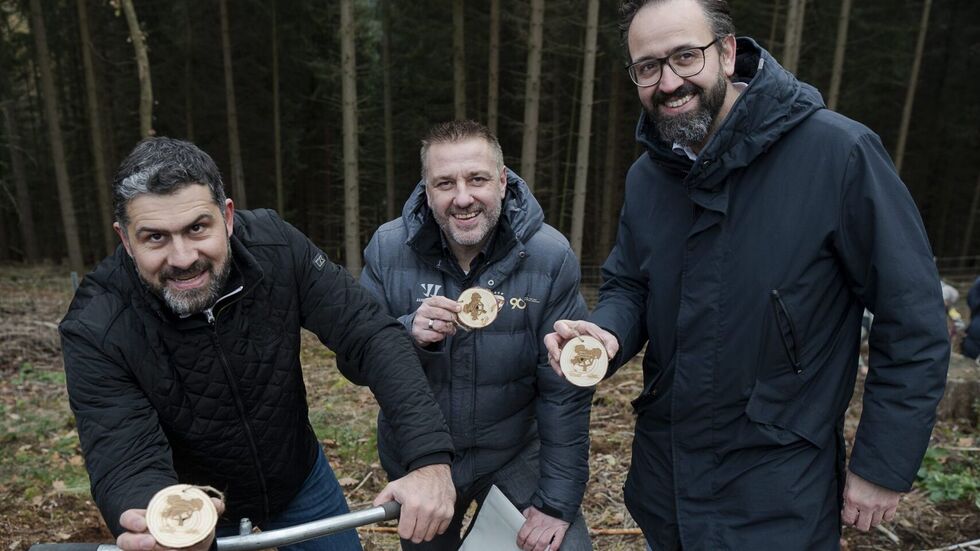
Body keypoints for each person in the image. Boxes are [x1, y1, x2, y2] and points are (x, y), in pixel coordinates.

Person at [543, 0, 950, 548]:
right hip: (667, 479)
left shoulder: (838, 154)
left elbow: (913, 319)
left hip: (779, 487)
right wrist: (606, 333)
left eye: (686, 56)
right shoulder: (649, 176)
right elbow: (629, 284)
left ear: (729, 52)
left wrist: (883, 463)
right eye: (648, 67)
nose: (669, 82)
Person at [59, 137, 456, 551]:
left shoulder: (276, 247)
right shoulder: (97, 323)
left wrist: (428, 459)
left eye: (197, 228)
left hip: (300, 479)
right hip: (190, 508)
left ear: (227, 217)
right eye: (155, 238)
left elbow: (369, 333)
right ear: (126, 240)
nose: (182, 258)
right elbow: (124, 450)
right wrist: (158, 519)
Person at [360, 120, 594, 551]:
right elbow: (355, 360)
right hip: (420, 455)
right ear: (427, 190)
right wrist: (405, 333)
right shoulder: (388, 248)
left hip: (514, 452)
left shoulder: (549, 256)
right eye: (445, 183)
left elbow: (564, 390)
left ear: (503, 181)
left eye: (478, 179)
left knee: (564, 547)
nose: (463, 198)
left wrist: (557, 503)